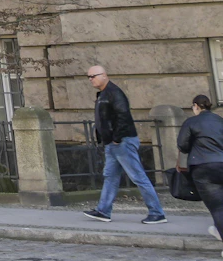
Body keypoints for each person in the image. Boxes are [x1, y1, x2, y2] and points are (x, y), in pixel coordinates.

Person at [84, 65, 167, 224]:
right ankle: (103, 211)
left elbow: (123, 116)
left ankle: (157, 213)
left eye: (93, 76)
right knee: (110, 177)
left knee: (138, 177)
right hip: (113, 143)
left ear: (104, 75)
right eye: (89, 77)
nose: (90, 79)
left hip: (122, 142)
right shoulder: (104, 94)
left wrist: (116, 138)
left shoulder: (114, 93)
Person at [178, 94, 223, 242]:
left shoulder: (191, 122)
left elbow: (182, 145)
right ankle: (218, 230)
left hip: (203, 167)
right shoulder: (219, 121)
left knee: (217, 206)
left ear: (196, 106)